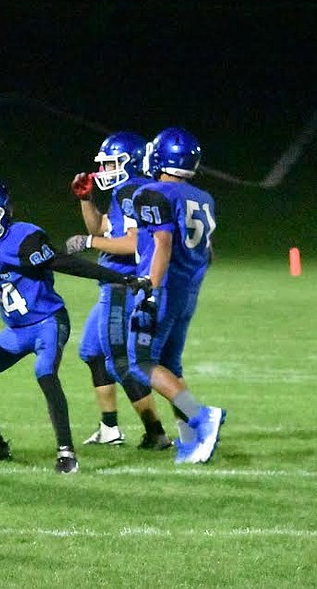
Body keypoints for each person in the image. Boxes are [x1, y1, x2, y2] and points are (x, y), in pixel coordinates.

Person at [0, 179, 146, 475]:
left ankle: (66, 453)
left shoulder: (25, 239)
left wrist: (121, 278)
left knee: (45, 372)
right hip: (17, 331)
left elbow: (66, 264)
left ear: (0, 217)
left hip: (48, 321)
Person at [65, 132, 172, 450]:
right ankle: (109, 428)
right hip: (110, 284)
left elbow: (132, 243)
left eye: (112, 163)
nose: (105, 169)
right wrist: (86, 201)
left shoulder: (133, 191)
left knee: (120, 361)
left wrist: (88, 244)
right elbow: (100, 228)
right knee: (91, 352)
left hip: (121, 286)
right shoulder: (121, 192)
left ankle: (156, 433)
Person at [126, 127, 224, 464]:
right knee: (169, 365)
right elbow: (207, 252)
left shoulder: (152, 193)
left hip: (161, 286)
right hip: (188, 289)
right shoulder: (204, 198)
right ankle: (191, 440)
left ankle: (200, 417)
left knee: (139, 361)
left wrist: (151, 287)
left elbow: (162, 244)